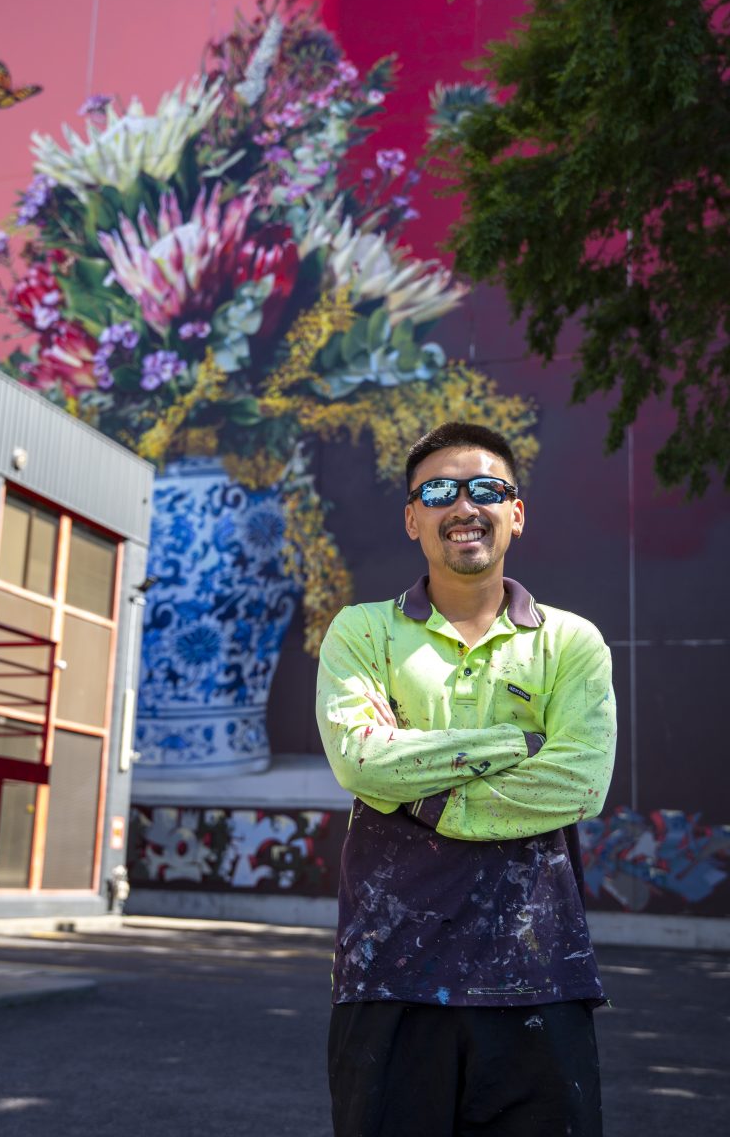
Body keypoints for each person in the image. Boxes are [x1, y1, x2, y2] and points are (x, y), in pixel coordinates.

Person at [316, 421, 616, 1137]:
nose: (464, 505)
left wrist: (420, 786)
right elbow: (360, 760)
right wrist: (521, 741)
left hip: (540, 975)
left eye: (487, 488)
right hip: (390, 975)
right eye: (440, 490)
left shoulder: (570, 641)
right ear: (413, 516)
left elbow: (579, 782)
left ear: (516, 512)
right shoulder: (361, 633)